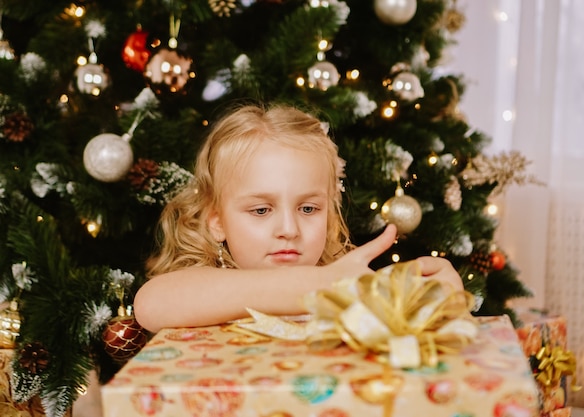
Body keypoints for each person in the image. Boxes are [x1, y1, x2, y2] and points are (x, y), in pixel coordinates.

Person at [133, 102, 463, 333]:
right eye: (261, 210)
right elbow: (150, 304)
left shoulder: (350, 292)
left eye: (308, 209)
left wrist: (434, 296)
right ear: (216, 221)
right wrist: (322, 285)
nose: (289, 230)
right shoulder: (200, 292)